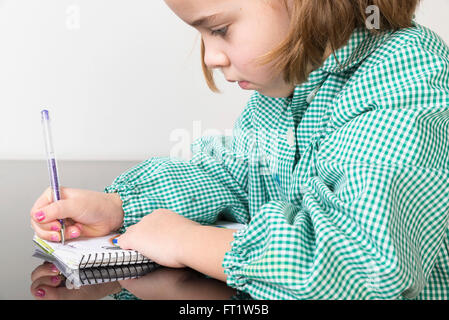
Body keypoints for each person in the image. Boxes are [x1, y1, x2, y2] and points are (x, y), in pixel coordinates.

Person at [30, 0, 449, 300]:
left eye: (219, 29)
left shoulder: (406, 76)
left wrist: (191, 242)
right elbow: (231, 175)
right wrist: (120, 207)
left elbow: (365, 266)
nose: (210, 57)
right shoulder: (287, 84)